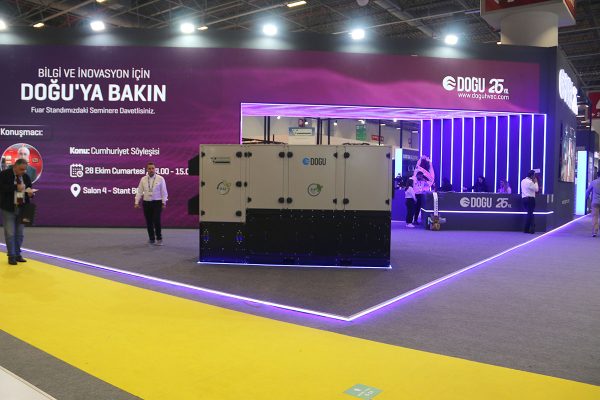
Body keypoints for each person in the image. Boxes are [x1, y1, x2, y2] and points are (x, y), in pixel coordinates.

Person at [0, 159, 34, 265]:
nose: (23, 171)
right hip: (8, 208)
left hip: (23, 208)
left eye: (25, 169)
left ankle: (18, 254)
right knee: (10, 233)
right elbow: (2, 188)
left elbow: (30, 188)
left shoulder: (26, 177)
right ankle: (11, 256)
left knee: (20, 234)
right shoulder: (4, 174)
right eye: (21, 169)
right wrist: (16, 187)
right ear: (15, 167)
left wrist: (31, 194)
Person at [135, 162, 168, 245]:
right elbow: (139, 191)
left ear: (155, 169)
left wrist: (164, 202)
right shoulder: (143, 179)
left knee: (157, 220)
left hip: (157, 202)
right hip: (146, 203)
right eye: (149, 168)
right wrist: (136, 202)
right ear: (147, 170)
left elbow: (164, 191)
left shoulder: (160, 178)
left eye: (153, 168)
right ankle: (151, 239)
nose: (151, 170)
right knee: (149, 222)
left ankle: (159, 239)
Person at [412, 155, 435, 224]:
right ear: (417, 175)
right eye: (420, 176)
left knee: (421, 208)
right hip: (415, 195)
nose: (421, 177)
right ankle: (413, 220)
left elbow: (431, 179)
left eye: (422, 176)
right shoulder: (414, 178)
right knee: (415, 208)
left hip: (421, 195)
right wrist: (420, 159)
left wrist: (430, 163)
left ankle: (418, 220)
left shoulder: (424, 181)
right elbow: (417, 167)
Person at [521, 170, 539, 234]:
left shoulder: (522, 181)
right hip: (530, 199)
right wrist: (536, 182)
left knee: (529, 214)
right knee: (531, 214)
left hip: (524, 199)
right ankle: (531, 229)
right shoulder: (530, 182)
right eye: (534, 175)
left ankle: (526, 229)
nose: (535, 177)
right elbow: (536, 189)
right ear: (532, 175)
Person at [585, 170, 600, 237]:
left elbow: (588, 191)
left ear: (597, 175)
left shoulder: (593, 182)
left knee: (595, 216)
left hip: (595, 202)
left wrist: (586, 198)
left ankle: (595, 231)